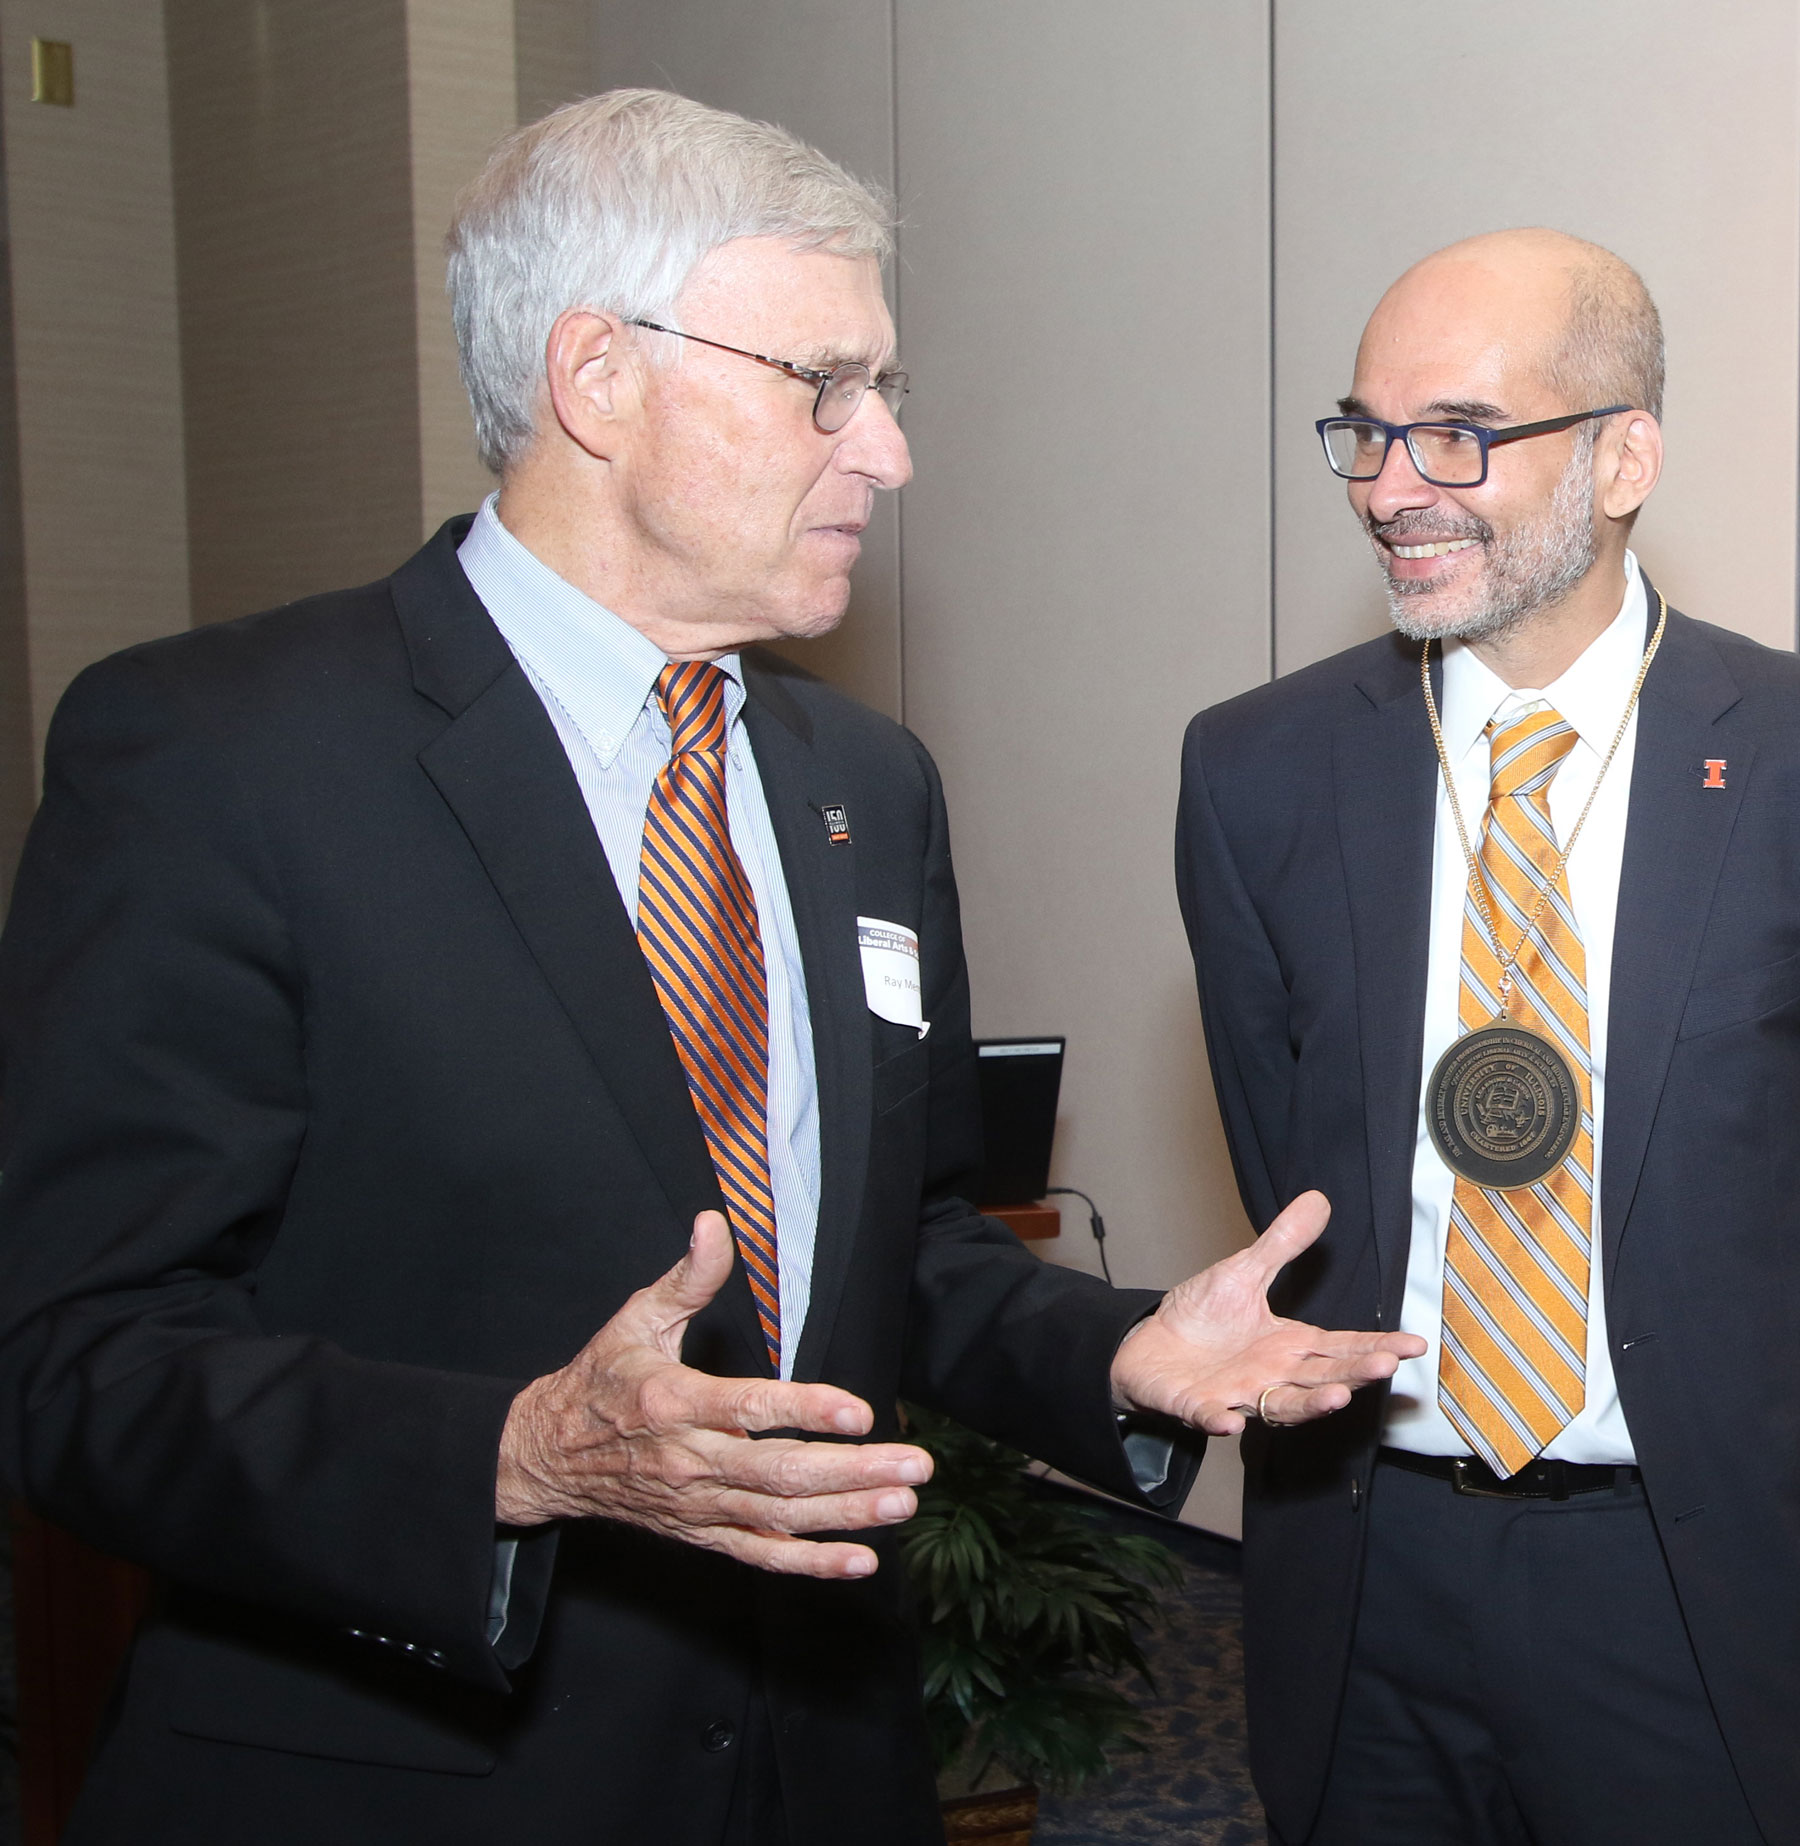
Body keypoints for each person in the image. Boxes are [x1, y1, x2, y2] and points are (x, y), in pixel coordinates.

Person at [0, 91, 1417, 1846]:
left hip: (815, 1764)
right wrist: (514, 1453)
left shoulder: (865, 787)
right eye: (826, 383)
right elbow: (77, 1357)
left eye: (889, 389)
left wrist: (1117, 1358)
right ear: (597, 377)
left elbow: (894, 1247)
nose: (888, 452)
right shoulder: (221, 758)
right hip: (416, 1780)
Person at [1178, 225, 1798, 1845]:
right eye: (1367, 435)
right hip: (1370, 1567)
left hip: (1693, 1577)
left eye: (1456, 434)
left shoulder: (1788, 762)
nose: (1392, 488)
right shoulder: (1254, 774)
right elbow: (1291, 1157)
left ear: (1620, 458)